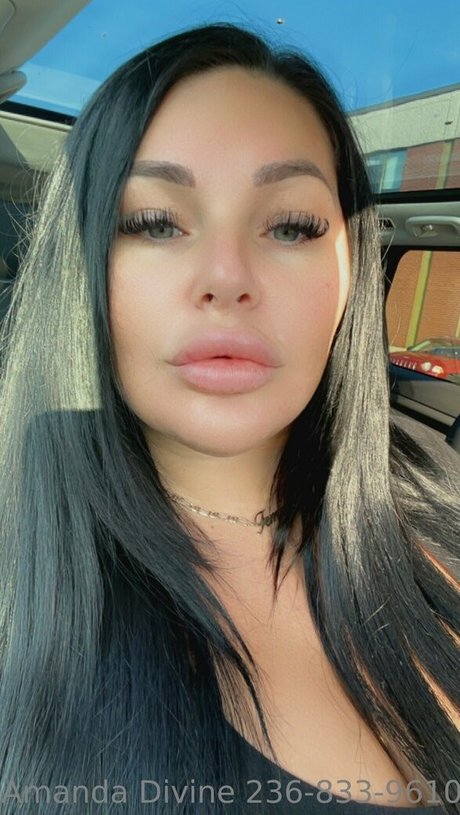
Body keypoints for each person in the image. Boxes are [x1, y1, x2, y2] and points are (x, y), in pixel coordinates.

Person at [0, 22, 458, 815]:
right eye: (155, 221)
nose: (226, 276)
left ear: (352, 271)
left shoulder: (431, 496)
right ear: (82, 265)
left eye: (291, 225)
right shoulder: (24, 586)